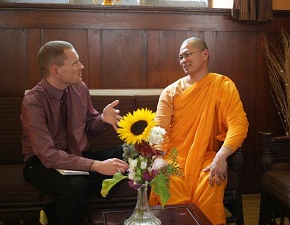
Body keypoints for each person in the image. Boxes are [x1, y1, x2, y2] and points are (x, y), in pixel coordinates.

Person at [21, 40, 129, 225]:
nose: (82, 66)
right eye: (75, 63)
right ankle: (68, 207)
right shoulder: (33, 102)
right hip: (42, 164)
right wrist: (95, 166)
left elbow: (89, 129)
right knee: (77, 185)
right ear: (56, 71)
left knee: (129, 152)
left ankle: (54, 212)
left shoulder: (80, 88)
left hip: (78, 155)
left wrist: (102, 119)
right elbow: (49, 155)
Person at [149, 37, 249, 224]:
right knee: (168, 183)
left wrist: (222, 156)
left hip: (207, 154)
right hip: (174, 156)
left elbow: (239, 123)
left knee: (211, 181)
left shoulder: (223, 86)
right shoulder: (171, 92)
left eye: (187, 54)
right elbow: (158, 129)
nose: (183, 60)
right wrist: (158, 158)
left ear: (205, 54)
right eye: (180, 57)